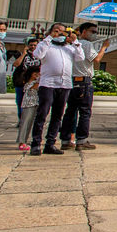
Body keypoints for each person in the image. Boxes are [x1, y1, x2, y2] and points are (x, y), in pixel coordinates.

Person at [30, 24, 84, 156]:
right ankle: (36, 144)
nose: (60, 34)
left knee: (57, 115)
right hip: (48, 83)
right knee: (42, 114)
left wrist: (75, 41)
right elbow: (37, 54)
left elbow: (80, 57)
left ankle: (50, 143)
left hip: (64, 84)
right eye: (57, 31)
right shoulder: (47, 46)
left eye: (62, 32)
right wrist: (49, 37)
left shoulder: (69, 48)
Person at [60, 23, 107, 150]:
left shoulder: (70, 44)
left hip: (71, 81)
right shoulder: (86, 44)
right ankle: (81, 140)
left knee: (70, 111)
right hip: (84, 82)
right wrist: (104, 47)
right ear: (84, 31)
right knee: (85, 112)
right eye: (93, 31)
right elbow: (96, 59)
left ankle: (65, 140)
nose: (95, 34)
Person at [11, 37, 40, 125]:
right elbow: (15, 64)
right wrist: (23, 54)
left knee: (34, 102)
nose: (33, 47)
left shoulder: (40, 55)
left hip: (35, 82)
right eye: (31, 45)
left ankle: (31, 119)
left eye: (35, 45)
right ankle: (22, 120)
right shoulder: (24, 56)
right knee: (20, 101)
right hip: (22, 82)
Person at [16, 65, 41, 150]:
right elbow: (33, 88)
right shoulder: (29, 83)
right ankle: (21, 141)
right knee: (25, 123)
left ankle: (25, 140)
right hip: (28, 105)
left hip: (34, 104)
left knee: (30, 123)